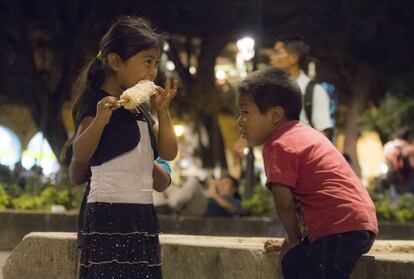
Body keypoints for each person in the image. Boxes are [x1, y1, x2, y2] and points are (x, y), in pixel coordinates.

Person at [61, 16, 178, 279]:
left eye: (156, 64)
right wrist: (100, 120)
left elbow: (168, 153)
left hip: (141, 212)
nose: (153, 72)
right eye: (147, 62)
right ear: (115, 62)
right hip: (108, 213)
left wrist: (163, 112)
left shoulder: (140, 110)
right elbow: (80, 155)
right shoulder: (98, 104)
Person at [236, 67, 378, 279]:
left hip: (337, 229)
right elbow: (311, 197)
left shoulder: (278, 145)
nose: (239, 121)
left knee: (293, 263)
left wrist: (293, 240)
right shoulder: (305, 134)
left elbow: (284, 203)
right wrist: (293, 240)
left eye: (245, 112)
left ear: (275, 115)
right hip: (358, 224)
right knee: (299, 260)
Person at [270, 36, 334, 139]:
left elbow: (323, 135)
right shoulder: (270, 90)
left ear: (294, 58)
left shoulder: (314, 91)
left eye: (277, 52)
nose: (271, 57)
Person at [153, 171, 242, 218]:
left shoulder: (235, 201)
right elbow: (202, 194)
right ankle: (160, 207)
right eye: (221, 182)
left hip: (202, 210)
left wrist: (214, 194)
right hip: (190, 206)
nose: (222, 185)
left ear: (234, 189)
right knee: (164, 186)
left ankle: (170, 207)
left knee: (193, 181)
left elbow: (232, 209)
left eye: (226, 183)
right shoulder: (213, 194)